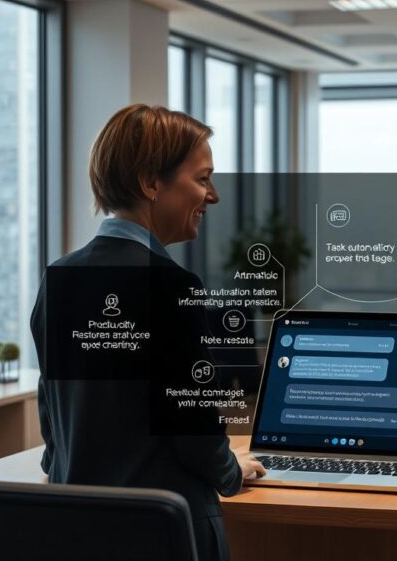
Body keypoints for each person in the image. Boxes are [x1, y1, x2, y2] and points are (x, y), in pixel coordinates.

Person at [30, 104, 265, 561]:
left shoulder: (59, 278)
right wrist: (230, 470)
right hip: (165, 532)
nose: (212, 196)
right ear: (150, 183)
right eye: (202, 179)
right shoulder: (171, 285)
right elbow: (192, 424)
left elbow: (52, 415)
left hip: (76, 529)